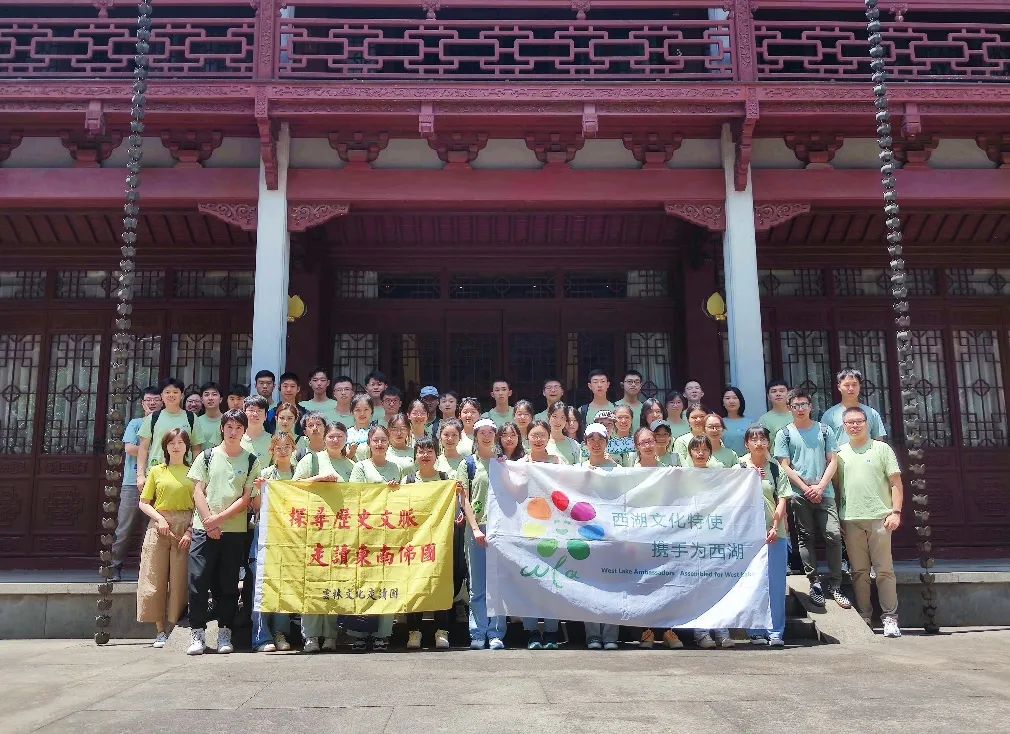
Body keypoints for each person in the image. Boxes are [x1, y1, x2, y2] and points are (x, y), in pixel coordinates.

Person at [185, 409, 261, 656]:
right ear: (222, 428)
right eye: (229, 427)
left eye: (239, 428)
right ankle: (197, 633)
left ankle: (224, 632)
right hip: (202, 529)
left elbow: (246, 499)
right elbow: (198, 491)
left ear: (244, 431)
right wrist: (209, 521)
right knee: (198, 581)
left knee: (228, 584)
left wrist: (218, 519)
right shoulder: (207, 456)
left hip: (234, 530)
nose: (233, 431)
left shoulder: (251, 460)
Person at [773, 388, 851, 610]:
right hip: (799, 493)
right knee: (805, 538)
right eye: (795, 405)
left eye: (803, 404)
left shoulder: (825, 431)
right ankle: (814, 582)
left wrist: (820, 487)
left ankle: (836, 585)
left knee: (833, 535)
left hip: (824, 492)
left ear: (811, 406)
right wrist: (806, 488)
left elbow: (833, 460)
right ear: (789, 408)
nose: (800, 409)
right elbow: (784, 465)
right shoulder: (784, 433)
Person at [836, 407, 903, 638]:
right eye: (850, 423)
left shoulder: (882, 449)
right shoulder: (840, 453)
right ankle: (865, 616)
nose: (854, 426)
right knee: (859, 572)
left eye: (859, 421)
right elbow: (836, 488)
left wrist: (896, 512)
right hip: (851, 519)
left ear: (867, 423)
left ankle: (890, 618)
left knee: (884, 570)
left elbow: (895, 483)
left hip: (880, 518)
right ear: (844, 427)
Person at [293, 420, 355, 653]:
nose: (335, 440)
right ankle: (310, 635)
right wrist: (318, 480)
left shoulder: (351, 464)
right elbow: (293, 487)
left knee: (333, 582)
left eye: (340, 436)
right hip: (313, 528)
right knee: (312, 582)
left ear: (346, 439)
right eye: (331, 436)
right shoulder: (312, 459)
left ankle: (330, 634)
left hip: (341, 530)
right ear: (324, 438)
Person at [403, 436, 465, 650]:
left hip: (441, 542)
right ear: (415, 456)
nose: (425, 455)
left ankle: (442, 631)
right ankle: (414, 632)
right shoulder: (408, 481)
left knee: (441, 584)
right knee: (415, 585)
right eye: (421, 451)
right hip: (415, 544)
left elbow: (458, 508)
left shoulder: (446, 479)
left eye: (430, 451)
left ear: (436, 455)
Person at [136, 428, 194, 648]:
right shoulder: (156, 471)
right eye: (172, 443)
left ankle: (175, 627)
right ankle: (159, 629)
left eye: (180, 442)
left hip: (184, 526)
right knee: (154, 577)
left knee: (180, 580)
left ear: (187, 446)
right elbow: (144, 502)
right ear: (165, 446)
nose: (176, 446)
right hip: (158, 525)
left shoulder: (193, 472)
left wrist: (189, 530)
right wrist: (159, 520)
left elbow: (199, 505)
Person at [347, 424, 404, 651]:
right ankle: (359, 633)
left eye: (383, 440)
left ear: (388, 442)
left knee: (387, 583)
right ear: (369, 443)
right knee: (363, 583)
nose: (379, 444)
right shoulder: (360, 467)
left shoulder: (396, 468)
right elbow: (355, 496)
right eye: (375, 440)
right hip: (365, 533)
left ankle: (383, 633)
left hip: (389, 534)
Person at [633, 427, 684, 650]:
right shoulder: (628, 473)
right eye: (643, 442)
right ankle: (647, 631)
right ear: (637, 446)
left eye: (651, 440)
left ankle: (669, 631)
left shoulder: (669, 471)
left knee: (667, 583)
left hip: (665, 535)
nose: (648, 445)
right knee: (645, 584)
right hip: (640, 537)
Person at [459, 418, 507, 650]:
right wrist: (476, 528)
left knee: (497, 584)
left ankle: (496, 632)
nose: (486, 436)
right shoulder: (467, 464)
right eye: (482, 432)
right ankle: (477, 631)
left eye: (490, 432)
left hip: (500, 530)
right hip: (476, 530)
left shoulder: (503, 463)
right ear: (475, 436)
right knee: (477, 585)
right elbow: (464, 499)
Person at [740, 425, 790, 646]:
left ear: (768, 443)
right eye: (753, 439)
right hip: (747, 536)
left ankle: (776, 630)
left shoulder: (776, 468)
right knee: (751, 583)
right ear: (746, 444)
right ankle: (755, 631)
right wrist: (748, 478)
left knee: (776, 585)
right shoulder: (739, 466)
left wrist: (775, 526)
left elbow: (782, 500)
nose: (758, 443)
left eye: (762, 439)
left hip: (775, 534)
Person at [685, 435, 733, 649]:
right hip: (693, 538)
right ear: (690, 453)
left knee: (718, 583)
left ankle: (722, 631)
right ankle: (701, 633)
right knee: (698, 586)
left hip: (715, 536)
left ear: (710, 453)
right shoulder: (681, 476)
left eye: (705, 449)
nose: (701, 453)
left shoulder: (719, 476)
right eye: (696, 450)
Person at [250, 431, 295, 653]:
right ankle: (260, 636)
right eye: (279, 447)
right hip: (266, 536)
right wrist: (260, 489)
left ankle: (280, 633)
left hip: (290, 539)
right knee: (262, 584)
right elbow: (255, 505)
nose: (283, 450)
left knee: (284, 586)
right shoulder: (265, 473)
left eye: (287, 446)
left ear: (294, 449)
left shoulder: (299, 475)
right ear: (272, 451)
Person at [519, 420, 563, 650]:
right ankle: (533, 631)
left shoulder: (557, 462)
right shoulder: (519, 464)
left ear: (549, 437)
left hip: (553, 527)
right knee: (530, 580)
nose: (538, 439)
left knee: (552, 579)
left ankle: (553, 631)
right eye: (534, 435)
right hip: (527, 528)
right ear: (527, 438)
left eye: (542, 435)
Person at [111, 386, 162, 582]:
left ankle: (149, 573)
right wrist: (154, 448)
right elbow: (130, 448)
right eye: (148, 400)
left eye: (156, 399)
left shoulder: (164, 422)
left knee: (151, 530)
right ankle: (114, 566)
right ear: (142, 404)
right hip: (133, 483)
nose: (152, 403)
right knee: (124, 527)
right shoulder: (136, 423)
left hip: (159, 483)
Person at [580, 422, 620, 650]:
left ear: (607, 442)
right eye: (591, 439)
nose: (596, 443)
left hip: (612, 534)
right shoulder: (577, 469)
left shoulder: (617, 470)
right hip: (586, 533)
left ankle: (611, 634)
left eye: (600, 439)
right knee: (590, 585)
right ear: (585, 443)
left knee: (611, 583)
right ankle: (593, 635)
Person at [138, 377, 199, 494]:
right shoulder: (152, 418)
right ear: (161, 395)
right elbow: (143, 448)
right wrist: (140, 475)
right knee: (154, 511)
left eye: (175, 392)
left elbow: (196, 448)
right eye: (167, 392)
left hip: (185, 475)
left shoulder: (191, 418)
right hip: (156, 474)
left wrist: (196, 474)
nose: (171, 395)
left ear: (182, 395)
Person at [821, 369, 888, 445]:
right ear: (839, 387)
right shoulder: (829, 415)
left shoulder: (872, 413)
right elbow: (824, 444)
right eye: (846, 385)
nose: (851, 388)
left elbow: (879, 442)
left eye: (854, 384)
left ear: (860, 386)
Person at [240, 395, 272, 460]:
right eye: (251, 410)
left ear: (266, 416)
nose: (255, 414)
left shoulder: (273, 441)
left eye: (259, 410)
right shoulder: (236, 438)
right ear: (244, 414)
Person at [194, 382, 223, 451]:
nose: (210, 398)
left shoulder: (227, 421)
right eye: (206, 395)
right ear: (202, 400)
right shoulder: (196, 421)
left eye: (214, 394)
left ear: (221, 399)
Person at [721, 386, 750, 456]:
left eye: (735, 398)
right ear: (723, 403)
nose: (731, 401)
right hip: (724, 464)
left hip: (746, 464)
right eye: (727, 398)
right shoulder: (718, 423)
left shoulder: (751, 423)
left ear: (740, 401)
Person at [345, 393, 374, 460]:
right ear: (352, 412)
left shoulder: (377, 432)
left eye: (366, 409)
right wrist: (351, 453)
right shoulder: (346, 433)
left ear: (372, 411)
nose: (362, 414)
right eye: (358, 410)